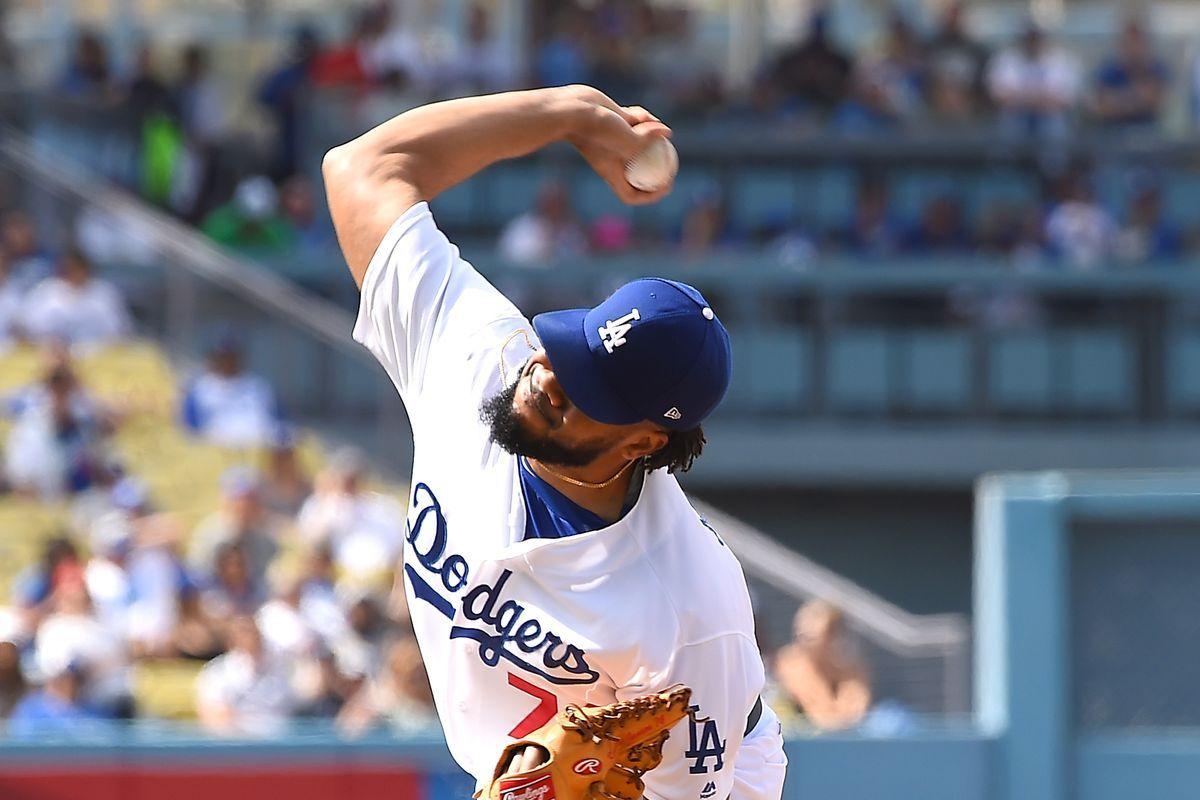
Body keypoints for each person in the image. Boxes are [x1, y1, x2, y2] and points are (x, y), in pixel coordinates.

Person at [323, 84, 785, 798]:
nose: (544, 378)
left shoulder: (688, 606)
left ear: (639, 443)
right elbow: (366, 167)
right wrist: (567, 114)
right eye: (564, 351)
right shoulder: (483, 366)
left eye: (584, 391)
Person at [774, 600, 871, 731]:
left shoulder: (849, 667)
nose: (804, 633)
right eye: (801, 630)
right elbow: (820, 714)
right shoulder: (790, 663)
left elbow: (856, 710)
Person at [195, 615, 295, 737]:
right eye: (242, 634)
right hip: (235, 745)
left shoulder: (280, 668)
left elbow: (294, 706)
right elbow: (212, 715)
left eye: (253, 633)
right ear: (231, 641)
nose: (250, 639)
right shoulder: (217, 672)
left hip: (282, 742)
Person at [188, 466, 283, 586]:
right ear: (225, 501)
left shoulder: (266, 536)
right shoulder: (210, 536)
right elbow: (200, 580)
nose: (246, 506)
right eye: (239, 500)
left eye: (252, 499)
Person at [20, 248, 132, 349]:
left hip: (98, 356)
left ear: (87, 269)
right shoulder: (46, 291)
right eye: (69, 268)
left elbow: (120, 330)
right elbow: (28, 328)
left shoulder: (105, 293)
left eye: (78, 268)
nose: (74, 273)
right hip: (53, 355)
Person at [180, 337, 281, 448]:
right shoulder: (200, 389)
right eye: (223, 357)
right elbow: (190, 431)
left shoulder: (258, 387)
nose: (227, 362)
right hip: (215, 452)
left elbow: (277, 421)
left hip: (257, 448)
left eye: (231, 357)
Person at [987, 22, 1081, 138]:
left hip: (1049, 115)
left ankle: (1053, 156)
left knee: (1053, 123)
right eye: (1029, 38)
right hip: (1015, 115)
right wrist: (1037, 98)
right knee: (1010, 121)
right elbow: (999, 95)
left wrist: (1023, 97)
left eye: (1036, 38)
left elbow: (1065, 99)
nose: (1033, 42)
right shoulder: (1006, 59)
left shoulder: (1062, 60)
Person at [1091, 19, 1169, 130]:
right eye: (1128, 42)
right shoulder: (1108, 70)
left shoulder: (1156, 68)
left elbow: (1155, 101)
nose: (1133, 48)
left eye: (1137, 42)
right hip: (1113, 133)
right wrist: (1137, 98)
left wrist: (1117, 100)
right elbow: (1101, 106)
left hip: (1149, 132)